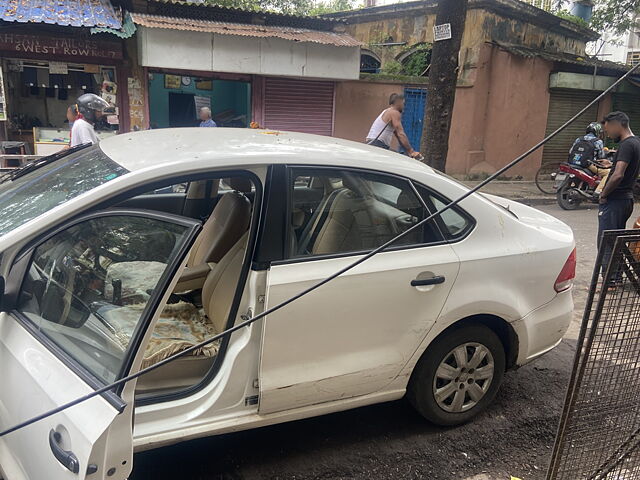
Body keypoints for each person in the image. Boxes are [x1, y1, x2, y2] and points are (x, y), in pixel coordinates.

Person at [598, 111, 640, 284]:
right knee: (615, 241)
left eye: (609, 130)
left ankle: (611, 281)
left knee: (606, 242)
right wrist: (612, 163)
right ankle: (616, 278)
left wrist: (603, 194)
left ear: (617, 125)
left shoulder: (626, 145)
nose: (608, 134)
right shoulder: (636, 142)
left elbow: (618, 175)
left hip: (616, 200)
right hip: (626, 199)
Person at [366, 93, 421, 159]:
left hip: (372, 143)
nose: (404, 106)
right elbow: (400, 134)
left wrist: (408, 151)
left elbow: (397, 135)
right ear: (399, 103)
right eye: (403, 103)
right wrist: (411, 151)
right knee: (399, 160)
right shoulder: (394, 112)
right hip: (378, 144)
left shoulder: (386, 111)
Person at [569, 122, 612, 195]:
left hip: (574, 163)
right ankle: (598, 191)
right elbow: (601, 156)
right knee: (608, 173)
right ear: (597, 132)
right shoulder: (598, 141)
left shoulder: (579, 139)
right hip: (588, 165)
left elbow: (570, 151)